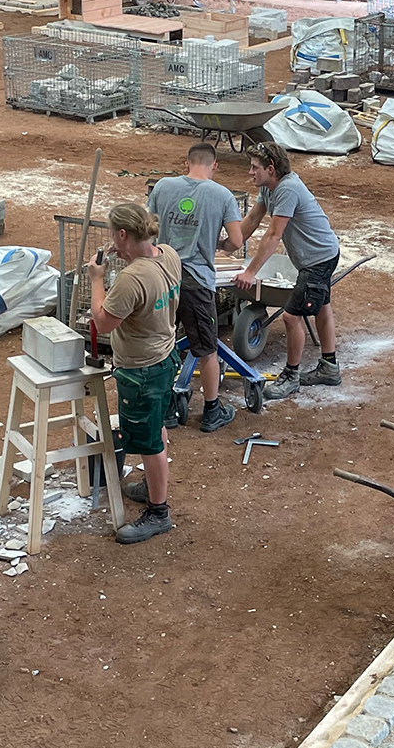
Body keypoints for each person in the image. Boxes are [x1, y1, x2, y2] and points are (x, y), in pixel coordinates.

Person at [87, 203, 183, 545]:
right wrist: (129, 257)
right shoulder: (168, 254)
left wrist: (97, 279)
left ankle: (158, 513)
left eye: (114, 233)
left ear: (122, 235)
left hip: (140, 369)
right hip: (164, 357)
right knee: (155, 426)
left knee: (149, 440)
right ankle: (152, 487)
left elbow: (102, 321)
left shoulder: (130, 279)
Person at [148, 143, 247, 433]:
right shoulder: (222, 195)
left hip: (164, 275)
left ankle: (166, 409)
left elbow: (149, 228)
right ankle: (211, 411)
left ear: (186, 162)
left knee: (164, 345)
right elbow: (237, 241)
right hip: (197, 282)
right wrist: (217, 244)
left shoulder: (163, 187)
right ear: (215, 165)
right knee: (207, 350)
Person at [235, 142, 341, 400]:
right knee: (322, 307)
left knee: (291, 317)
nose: (250, 172)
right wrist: (228, 243)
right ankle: (329, 367)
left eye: (255, 168)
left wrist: (250, 273)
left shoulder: (288, 189)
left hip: (318, 259)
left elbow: (273, 235)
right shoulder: (268, 189)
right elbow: (251, 221)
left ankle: (291, 376)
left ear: (271, 169)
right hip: (315, 257)